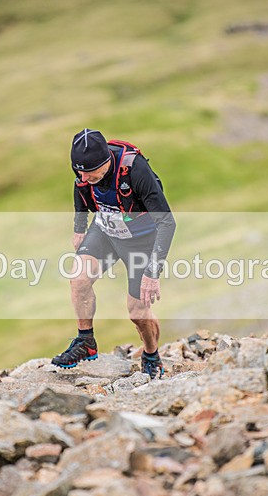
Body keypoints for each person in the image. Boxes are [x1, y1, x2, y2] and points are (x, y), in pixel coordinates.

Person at [51, 129, 176, 378]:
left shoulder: (135, 170)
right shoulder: (85, 173)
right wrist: (79, 229)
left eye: (90, 172)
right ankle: (86, 342)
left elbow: (167, 222)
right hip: (106, 231)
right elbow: (80, 190)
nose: (84, 177)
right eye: (79, 171)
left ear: (106, 160)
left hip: (141, 241)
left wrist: (153, 273)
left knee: (137, 312)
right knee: (78, 278)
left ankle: (151, 355)